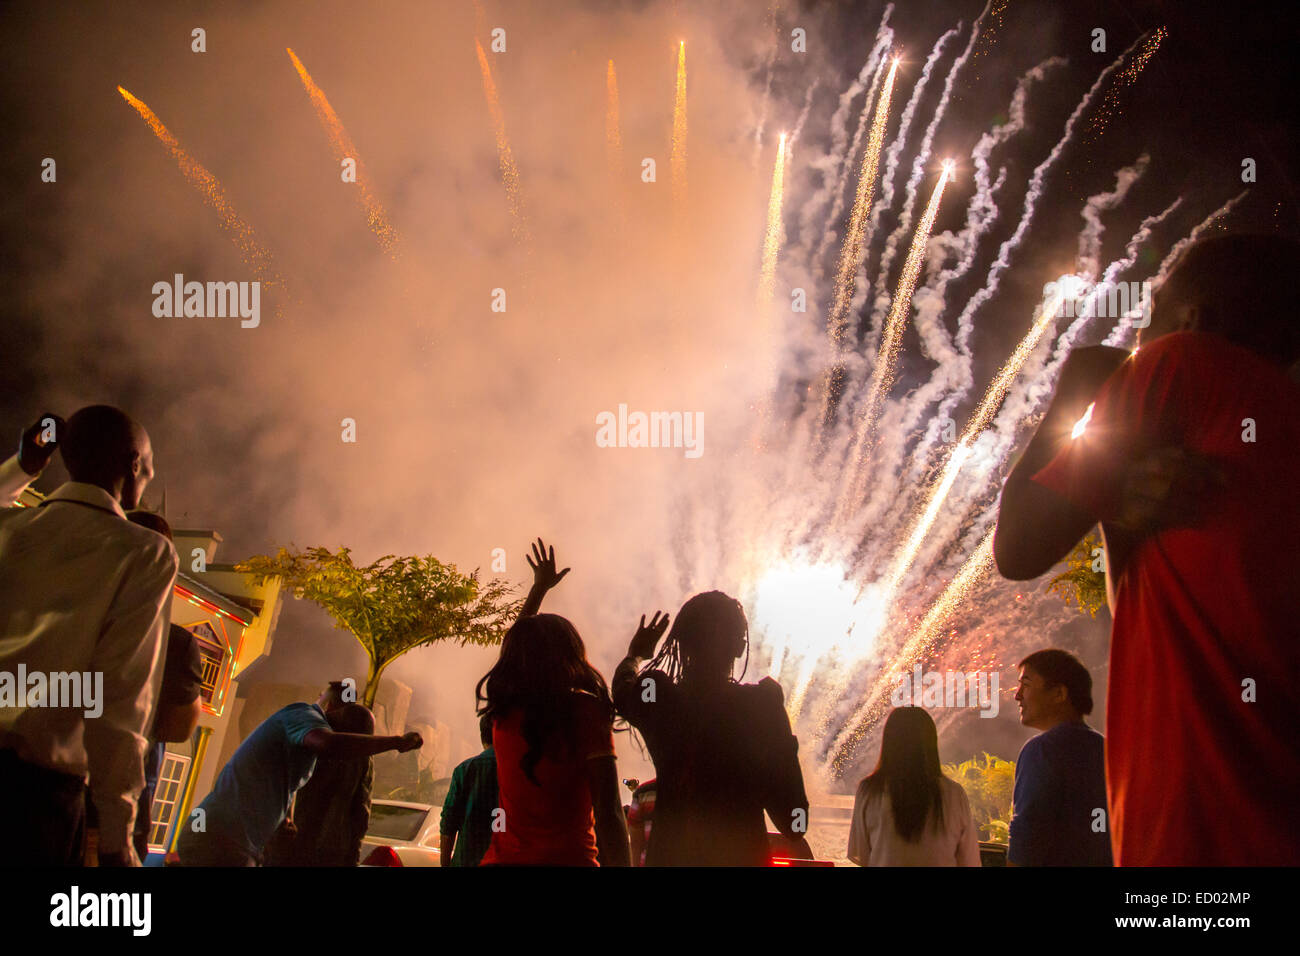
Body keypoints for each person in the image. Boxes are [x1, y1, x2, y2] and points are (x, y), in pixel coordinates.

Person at [994, 234, 1300, 865]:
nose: (1139, 337)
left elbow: (1018, 546)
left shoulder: (1184, 364)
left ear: (1191, 322)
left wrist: (1084, 381)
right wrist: (1116, 500)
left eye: (1153, 313)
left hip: (1200, 851)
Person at [0, 405, 177, 867]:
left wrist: (22, 467)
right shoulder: (145, 553)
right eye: (149, 466)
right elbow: (121, 696)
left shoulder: (13, 529)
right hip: (35, 804)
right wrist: (118, 837)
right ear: (134, 463)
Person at [612, 592, 812, 866]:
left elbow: (623, 691)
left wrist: (636, 656)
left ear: (682, 643)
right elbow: (794, 822)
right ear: (739, 647)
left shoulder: (658, 697)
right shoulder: (761, 706)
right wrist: (780, 746)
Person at [475, 538, 628, 866]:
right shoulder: (586, 712)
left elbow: (514, 646)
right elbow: (610, 813)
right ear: (571, 657)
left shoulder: (503, 714)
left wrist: (538, 590)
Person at [175, 682, 421, 866]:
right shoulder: (304, 714)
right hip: (219, 839)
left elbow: (286, 782)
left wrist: (285, 819)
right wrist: (396, 742)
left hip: (236, 844)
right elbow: (329, 744)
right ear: (333, 710)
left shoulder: (303, 751)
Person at [1008, 649, 1111, 866]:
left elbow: (1026, 835)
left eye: (1026, 685)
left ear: (1059, 694)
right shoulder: (1105, 749)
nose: (1017, 695)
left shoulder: (1042, 750)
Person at [847, 706, 981, 867]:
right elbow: (969, 860)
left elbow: (861, 854)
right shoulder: (954, 794)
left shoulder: (869, 790)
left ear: (889, 742)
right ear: (931, 743)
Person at [264, 702, 376, 867]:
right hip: (329, 851)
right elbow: (360, 814)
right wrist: (353, 857)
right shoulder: (362, 760)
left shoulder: (310, 742)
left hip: (291, 845)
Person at [439, 714, 499, 867]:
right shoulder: (518, 772)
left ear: (482, 737)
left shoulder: (465, 770)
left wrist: (445, 864)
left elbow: (448, 823)